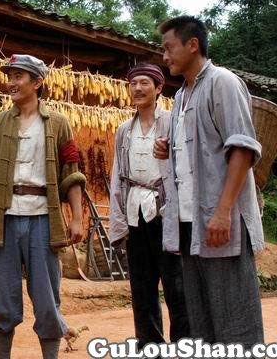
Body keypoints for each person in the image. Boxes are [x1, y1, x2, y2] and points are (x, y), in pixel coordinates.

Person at [154, 15, 264, 347]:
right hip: (190, 224)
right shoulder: (180, 98)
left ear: (193, 44)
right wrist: (168, 149)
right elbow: (197, 155)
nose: (165, 57)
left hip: (220, 222)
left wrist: (223, 211)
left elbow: (242, 149)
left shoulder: (222, 82)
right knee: (202, 320)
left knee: (235, 320)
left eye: (169, 48)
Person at [0, 54, 86, 359]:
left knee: (47, 299)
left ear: (37, 82)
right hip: (1, 220)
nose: (12, 83)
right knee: (1, 300)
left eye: (19, 77)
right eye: (10, 76)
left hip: (43, 220)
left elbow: (71, 173)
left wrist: (76, 218)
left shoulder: (58, 124)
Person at [109, 63, 189, 349]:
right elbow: (117, 174)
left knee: (176, 284)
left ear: (158, 88)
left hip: (165, 211)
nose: (138, 89)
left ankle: (184, 344)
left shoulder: (171, 122)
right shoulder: (124, 130)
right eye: (133, 84)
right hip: (135, 212)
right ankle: (150, 346)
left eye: (145, 83)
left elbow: (185, 162)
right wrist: (117, 220)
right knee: (142, 288)